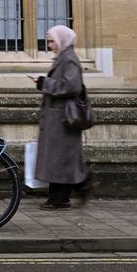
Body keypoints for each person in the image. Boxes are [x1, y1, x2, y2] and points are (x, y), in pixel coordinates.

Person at [30, 25, 94, 210]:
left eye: (52, 40)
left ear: (62, 40)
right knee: (59, 158)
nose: (49, 45)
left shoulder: (69, 60)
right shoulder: (63, 58)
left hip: (64, 119)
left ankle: (67, 193)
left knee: (60, 158)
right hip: (58, 118)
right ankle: (65, 195)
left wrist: (44, 82)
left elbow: (72, 86)